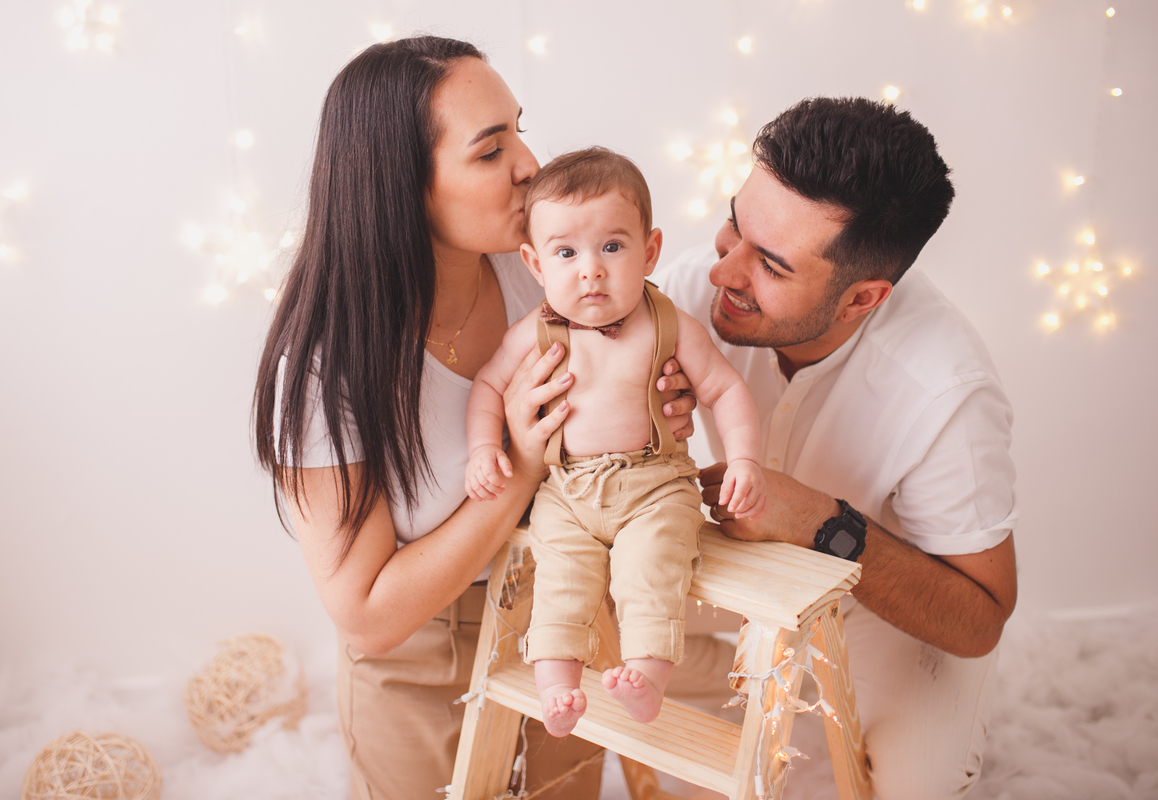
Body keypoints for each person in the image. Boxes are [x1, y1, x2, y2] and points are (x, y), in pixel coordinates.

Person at [250, 38, 697, 800]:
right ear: (403, 187)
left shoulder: (544, 278)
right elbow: (366, 616)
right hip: (421, 663)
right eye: (491, 152)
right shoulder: (330, 362)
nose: (529, 163)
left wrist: (652, 407)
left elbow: (610, 430)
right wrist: (520, 462)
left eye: (519, 129)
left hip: (563, 617)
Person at [656, 97, 1019, 800]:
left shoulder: (947, 392)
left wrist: (822, 523)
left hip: (888, 603)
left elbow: (979, 619)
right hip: (735, 571)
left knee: (915, 783)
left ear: (861, 300)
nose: (723, 273)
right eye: (735, 225)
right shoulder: (696, 289)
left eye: (771, 265)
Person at [463, 147, 766, 737]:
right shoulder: (536, 330)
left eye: (612, 246)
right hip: (566, 489)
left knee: (650, 569)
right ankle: (556, 689)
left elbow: (726, 391)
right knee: (560, 579)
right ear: (534, 262)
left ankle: (648, 678)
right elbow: (487, 386)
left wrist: (745, 459)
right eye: (566, 252)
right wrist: (483, 448)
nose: (590, 270)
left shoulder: (670, 324)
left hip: (654, 486)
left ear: (649, 250)